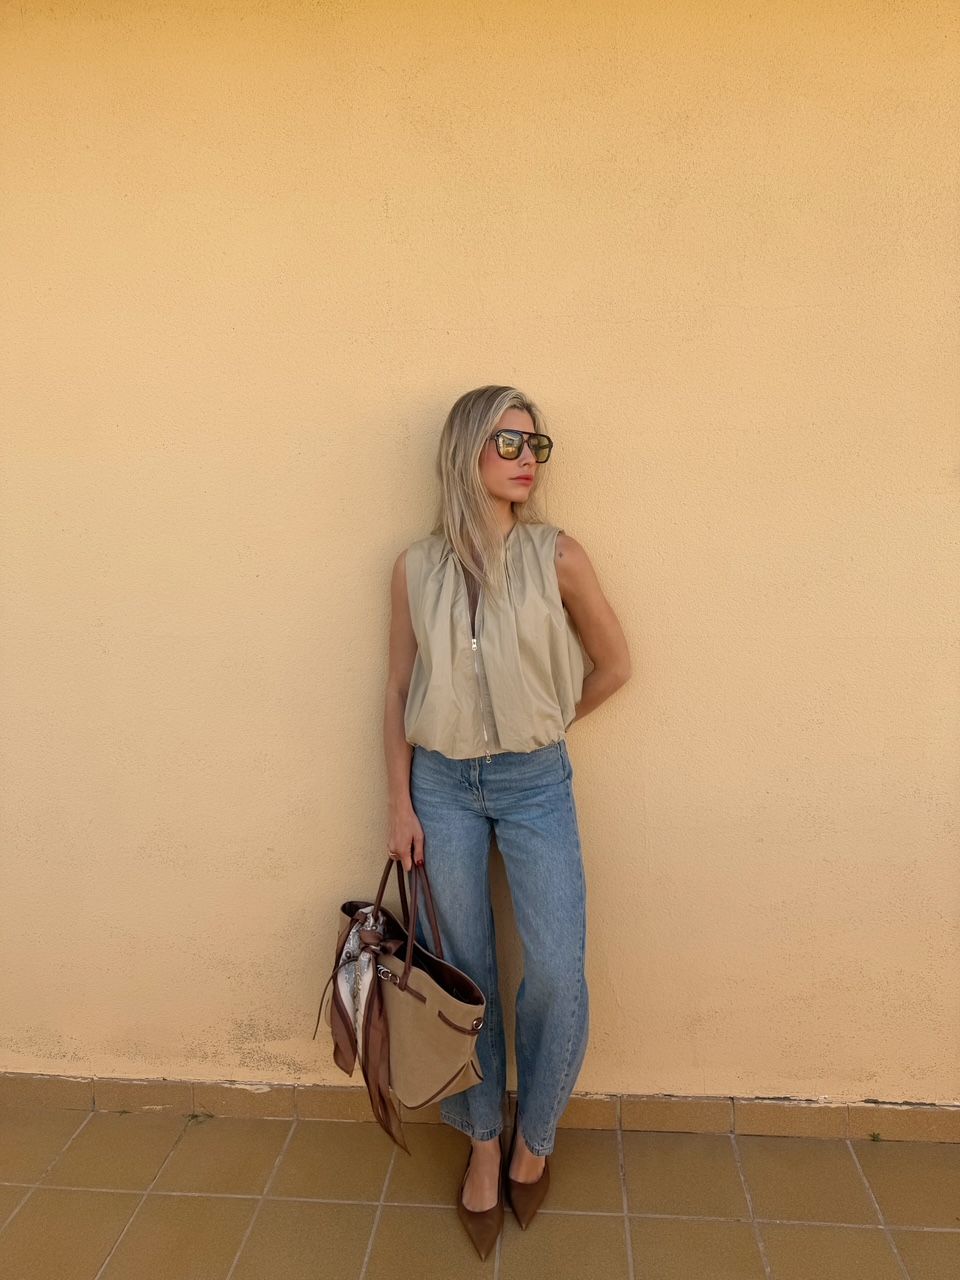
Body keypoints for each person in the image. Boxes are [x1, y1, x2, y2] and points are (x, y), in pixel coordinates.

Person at [383, 385, 631, 1258]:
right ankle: (483, 1140)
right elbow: (397, 688)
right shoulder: (415, 568)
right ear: (466, 452)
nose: (529, 459)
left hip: (534, 783)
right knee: (463, 974)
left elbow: (615, 663)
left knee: (557, 968)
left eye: (537, 444)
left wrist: (546, 725)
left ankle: (537, 1138)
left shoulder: (557, 556)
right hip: (441, 786)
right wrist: (399, 801)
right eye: (510, 442)